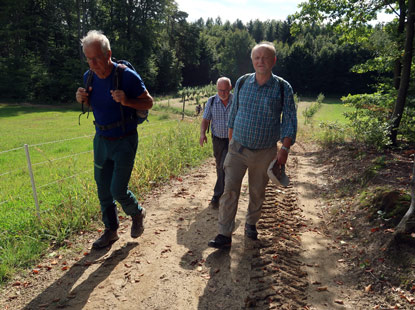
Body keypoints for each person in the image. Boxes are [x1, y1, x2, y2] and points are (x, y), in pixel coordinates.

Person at [208, 42, 297, 249]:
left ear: (273, 61)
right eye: (257, 57)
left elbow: (289, 120)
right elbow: (234, 112)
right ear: (252, 60)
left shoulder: (283, 87)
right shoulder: (242, 82)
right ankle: (224, 234)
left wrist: (284, 149)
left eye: (265, 57)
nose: (261, 61)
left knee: (257, 192)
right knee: (229, 190)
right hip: (238, 148)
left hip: (265, 151)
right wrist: (231, 142)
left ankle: (251, 223)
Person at [75, 30, 153, 249]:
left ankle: (136, 213)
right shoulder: (88, 77)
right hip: (101, 139)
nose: (92, 63)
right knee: (102, 188)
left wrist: (127, 100)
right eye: (88, 58)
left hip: (124, 140)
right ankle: (111, 231)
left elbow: (148, 103)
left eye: (96, 57)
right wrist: (81, 98)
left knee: (117, 189)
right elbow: (95, 104)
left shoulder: (126, 76)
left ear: (108, 53)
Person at [199, 77, 233, 209]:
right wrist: (203, 134)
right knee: (221, 166)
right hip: (218, 140)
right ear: (217, 89)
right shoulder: (212, 101)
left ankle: (219, 195)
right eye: (220, 90)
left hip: (234, 140)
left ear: (230, 88)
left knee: (230, 167)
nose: (223, 93)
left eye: (225, 90)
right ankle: (222, 193)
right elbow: (205, 120)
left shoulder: (236, 101)